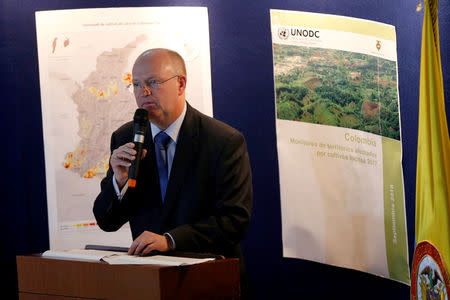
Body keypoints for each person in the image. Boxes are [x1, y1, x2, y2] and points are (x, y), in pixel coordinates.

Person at [93, 48, 253, 296]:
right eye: (135, 84)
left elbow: (234, 221)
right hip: (150, 284)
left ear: (181, 84)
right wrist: (119, 181)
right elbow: (107, 221)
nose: (143, 92)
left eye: (153, 82)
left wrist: (170, 239)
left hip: (209, 281)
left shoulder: (223, 141)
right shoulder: (126, 137)